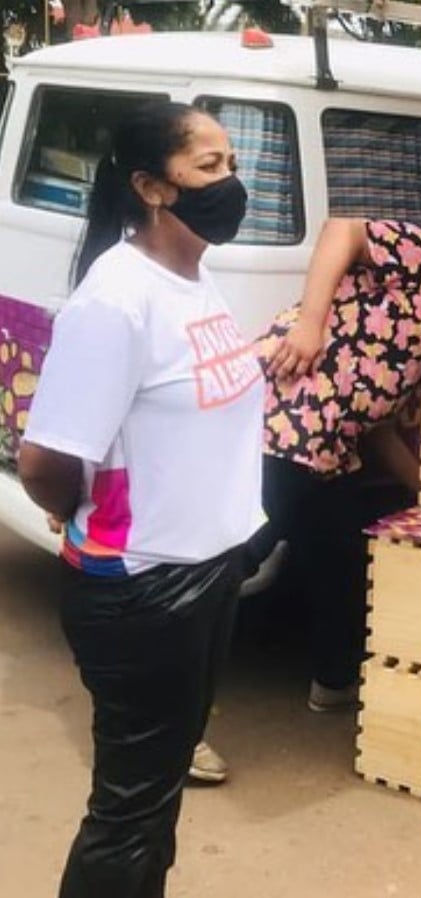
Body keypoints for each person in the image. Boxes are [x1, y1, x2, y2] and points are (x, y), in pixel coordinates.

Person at [17, 101, 261, 898]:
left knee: (154, 802)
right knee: (129, 810)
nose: (232, 182)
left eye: (231, 162)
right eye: (211, 166)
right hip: (142, 585)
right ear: (153, 188)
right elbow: (46, 462)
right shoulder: (117, 300)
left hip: (208, 569)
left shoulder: (196, 276)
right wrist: (81, 516)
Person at [250, 218, 421, 711]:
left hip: (326, 455)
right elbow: (342, 231)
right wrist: (311, 321)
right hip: (278, 429)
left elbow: (379, 432)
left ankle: (333, 682)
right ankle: (164, 688)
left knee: (346, 556)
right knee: (233, 558)